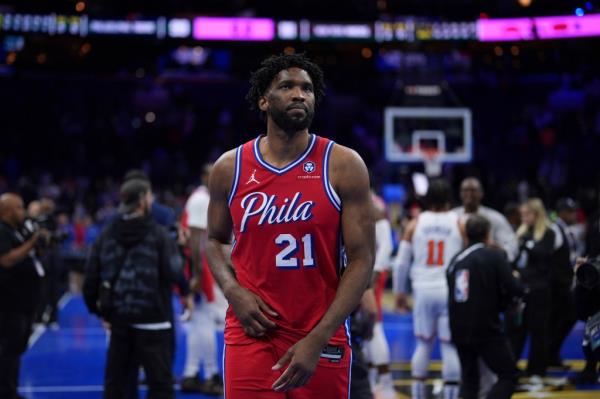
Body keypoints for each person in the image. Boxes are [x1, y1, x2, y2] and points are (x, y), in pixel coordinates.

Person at [205, 53, 375, 398]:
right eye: (287, 86)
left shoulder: (343, 165)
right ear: (263, 101)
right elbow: (214, 240)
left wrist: (318, 337)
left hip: (320, 331)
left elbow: (362, 259)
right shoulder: (229, 167)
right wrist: (232, 290)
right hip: (252, 330)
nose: (300, 94)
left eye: (307, 88)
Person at [83, 179, 193, 399]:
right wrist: (186, 289)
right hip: (155, 320)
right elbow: (174, 270)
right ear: (142, 200)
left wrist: (100, 311)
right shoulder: (159, 234)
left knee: (118, 384)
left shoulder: (107, 233)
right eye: (150, 196)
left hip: (120, 320)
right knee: (160, 384)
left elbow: (91, 276)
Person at [392, 179, 463, 399]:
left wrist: (399, 292)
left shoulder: (415, 223)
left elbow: (401, 262)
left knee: (423, 343)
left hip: (423, 289)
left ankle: (418, 394)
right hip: (449, 289)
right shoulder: (459, 222)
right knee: (449, 345)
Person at [447, 214, 523, 399]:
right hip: (485, 327)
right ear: (488, 233)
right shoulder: (493, 256)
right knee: (509, 375)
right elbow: (514, 288)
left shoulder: (456, 259)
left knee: (470, 379)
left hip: (458, 326)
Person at [180, 164, 224, 395]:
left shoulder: (202, 198)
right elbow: (195, 241)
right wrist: (197, 275)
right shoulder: (200, 199)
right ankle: (210, 374)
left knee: (199, 322)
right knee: (205, 320)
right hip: (197, 267)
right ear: (205, 176)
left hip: (196, 266)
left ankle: (190, 372)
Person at [0, 193, 43, 399]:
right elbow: (6, 260)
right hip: (9, 303)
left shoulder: (16, 231)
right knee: (8, 349)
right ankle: (6, 392)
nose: (23, 212)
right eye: (19, 208)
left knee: (16, 349)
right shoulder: (1, 231)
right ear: (7, 211)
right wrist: (32, 243)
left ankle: (11, 390)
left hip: (22, 301)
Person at [508, 198, 555, 382]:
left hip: (539, 290)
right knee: (516, 331)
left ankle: (537, 370)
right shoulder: (520, 233)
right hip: (521, 290)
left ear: (537, 214)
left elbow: (543, 255)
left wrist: (527, 243)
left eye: (527, 214)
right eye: (522, 214)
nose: (524, 217)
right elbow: (513, 259)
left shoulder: (548, 233)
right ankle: (511, 367)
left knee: (538, 331)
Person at [363, 191, 395, 398]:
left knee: (372, 323)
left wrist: (374, 273)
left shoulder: (373, 204)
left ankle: (384, 383)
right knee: (362, 328)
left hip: (368, 272)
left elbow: (386, 244)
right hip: (362, 269)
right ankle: (373, 380)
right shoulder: (369, 200)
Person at [453, 178, 518, 262]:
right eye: (465, 190)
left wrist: (502, 253)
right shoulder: (452, 217)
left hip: (486, 265)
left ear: (481, 193)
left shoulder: (495, 217)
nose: (469, 194)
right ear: (460, 193)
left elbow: (511, 244)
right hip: (458, 262)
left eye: (473, 190)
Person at [548, 198, 579, 369]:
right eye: (570, 211)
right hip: (557, 286)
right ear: (561, 213)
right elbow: (551, 258)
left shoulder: (566, 229)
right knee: (562, 319)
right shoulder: (555, 229)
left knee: (562, 319)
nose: (574, 214)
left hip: (565, 283)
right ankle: (550, 355)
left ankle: (552, 355)